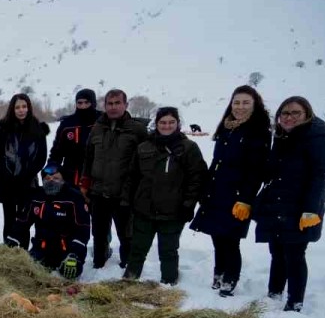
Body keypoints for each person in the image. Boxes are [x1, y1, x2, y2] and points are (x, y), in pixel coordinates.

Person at [189, 85, 271, 297]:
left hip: (237, 196)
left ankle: (229, 280)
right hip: (216, 191)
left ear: (255, 105)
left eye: (245, 102)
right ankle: (219, 273)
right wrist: (205, 190)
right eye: (236, 102)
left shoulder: (259, 131)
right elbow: (217, 161)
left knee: (231, 241)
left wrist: (245, 199)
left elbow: (256, 171)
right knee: (217, 237)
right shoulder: (226, 127)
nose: (240, 107)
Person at [252, 96, 325, 313]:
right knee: (276, 251)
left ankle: (295, 302)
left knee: (294, 254)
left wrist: (311, 210)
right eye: (285, 113)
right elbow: (273, 169)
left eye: (295, 113)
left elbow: (320, 175)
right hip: (276, 201)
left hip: (300, 206)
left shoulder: (317, 136)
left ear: (307, 114)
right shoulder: (281, 136)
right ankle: (274, 293)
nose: (289, 117)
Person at [123, 107, 207, 285]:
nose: (167, 126)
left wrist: (188, 204)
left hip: (173, 211)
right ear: (157, 124)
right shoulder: (144, 147)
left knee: (168, 250)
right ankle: (129, 281)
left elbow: (197, 178)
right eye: (163, 122)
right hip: (144, 209)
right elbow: (132, 177)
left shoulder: (188, 148)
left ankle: (168, 283)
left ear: (177, 124)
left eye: (171, 122)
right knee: (138, 248)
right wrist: (128, 200)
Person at [81, 88, 148, 269]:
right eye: (110, 103)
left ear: (125, 105)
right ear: (104, 106)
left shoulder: (137, 130)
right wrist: (85, 183)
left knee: (126, 233)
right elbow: (88, 157)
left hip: (124, 193)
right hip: (98, 191)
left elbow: (145, 162)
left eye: (117, 103)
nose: (113, 107)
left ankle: (127, 265)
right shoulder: (97, 127)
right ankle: (98, 263)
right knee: (99, 233)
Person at [0, 93, 50, 249]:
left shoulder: (38, 129)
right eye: (17, 107)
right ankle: (8, 251)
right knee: (9, 218)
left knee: (24, 218)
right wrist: (4, 173)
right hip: (7, 181)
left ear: (29, 107)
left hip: (27, 182)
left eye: (24, 106)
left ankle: (23, 251)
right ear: (12, 109)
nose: (21, 110)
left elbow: (41, 157)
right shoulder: (3, 127)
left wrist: (26, 174)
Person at [19, 163, 90, 280]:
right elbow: (22, 222)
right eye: (47, 178)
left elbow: (83, 229)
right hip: (41, 249)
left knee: (70, 271)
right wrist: (12, 241)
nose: (51, 181)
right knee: (26, 273)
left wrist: (75, 253)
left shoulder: (74, 198)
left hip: (68, 251)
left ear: (63, 180)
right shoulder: (37, 196)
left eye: (56, 178)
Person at [48, 89, 99, 187]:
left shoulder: (102, 121)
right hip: (71, 176)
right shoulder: (67, 124)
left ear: (93, 103)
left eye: (86, 102)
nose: (83, 106)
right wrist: (50, 171)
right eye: (80, 103)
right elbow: (56, 153)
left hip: (97, 177)